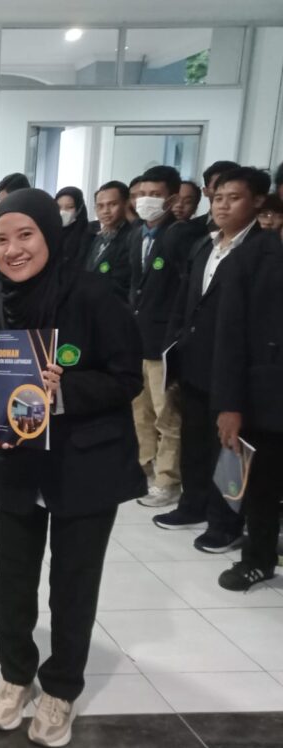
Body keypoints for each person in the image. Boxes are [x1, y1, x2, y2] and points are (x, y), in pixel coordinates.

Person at [0, 189, 145, 748]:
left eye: (25, 235)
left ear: (50, 234)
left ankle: (61, 687)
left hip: (85, 465)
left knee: (73, 583)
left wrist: (65, 391)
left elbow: (127, 377)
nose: (13, 249)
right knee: (13, 579)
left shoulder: (94, 295)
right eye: (1, 239)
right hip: (18, 460)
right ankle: (15, 673)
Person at [156, 167, 271, 554]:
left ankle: (225, 524)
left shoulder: (263, 252)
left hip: (235, 370)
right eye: (218, 198)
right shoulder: (204, 245)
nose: (223, 206)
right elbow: (185, 302)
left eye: (233, 198)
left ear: (257, 201)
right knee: (195, 441)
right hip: (195, 362)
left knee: (229, 448)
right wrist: (174, 348)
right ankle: (193, 505)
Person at [212, 210, 283, 590]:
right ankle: (258, 559)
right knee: (263, 485)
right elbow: (229, 337)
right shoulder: (252, 258)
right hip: (266, 397)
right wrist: (230, 404)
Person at [129, 165, 187, 508]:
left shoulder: (179, 236)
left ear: (172, 199)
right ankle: (145, 468)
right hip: (137, 338)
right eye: (141, 194)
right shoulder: (137, 234)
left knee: (167, 416)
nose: (146, 200)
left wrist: (174, 339)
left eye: (155, 194)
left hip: (164, 342)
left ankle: (167, 480)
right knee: (141, 412)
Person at [83, 181, 133, 300]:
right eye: (100, 206)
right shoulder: (95, 235)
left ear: (126, 204)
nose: (105, 211)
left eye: (112, 204)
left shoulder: (131, 237)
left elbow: (121, 283)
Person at [55, 186, 93, 266]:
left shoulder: (88, 235)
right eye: (59, 207)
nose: (63, 212)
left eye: (70, 207)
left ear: (79, 209)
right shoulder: (50, 232)